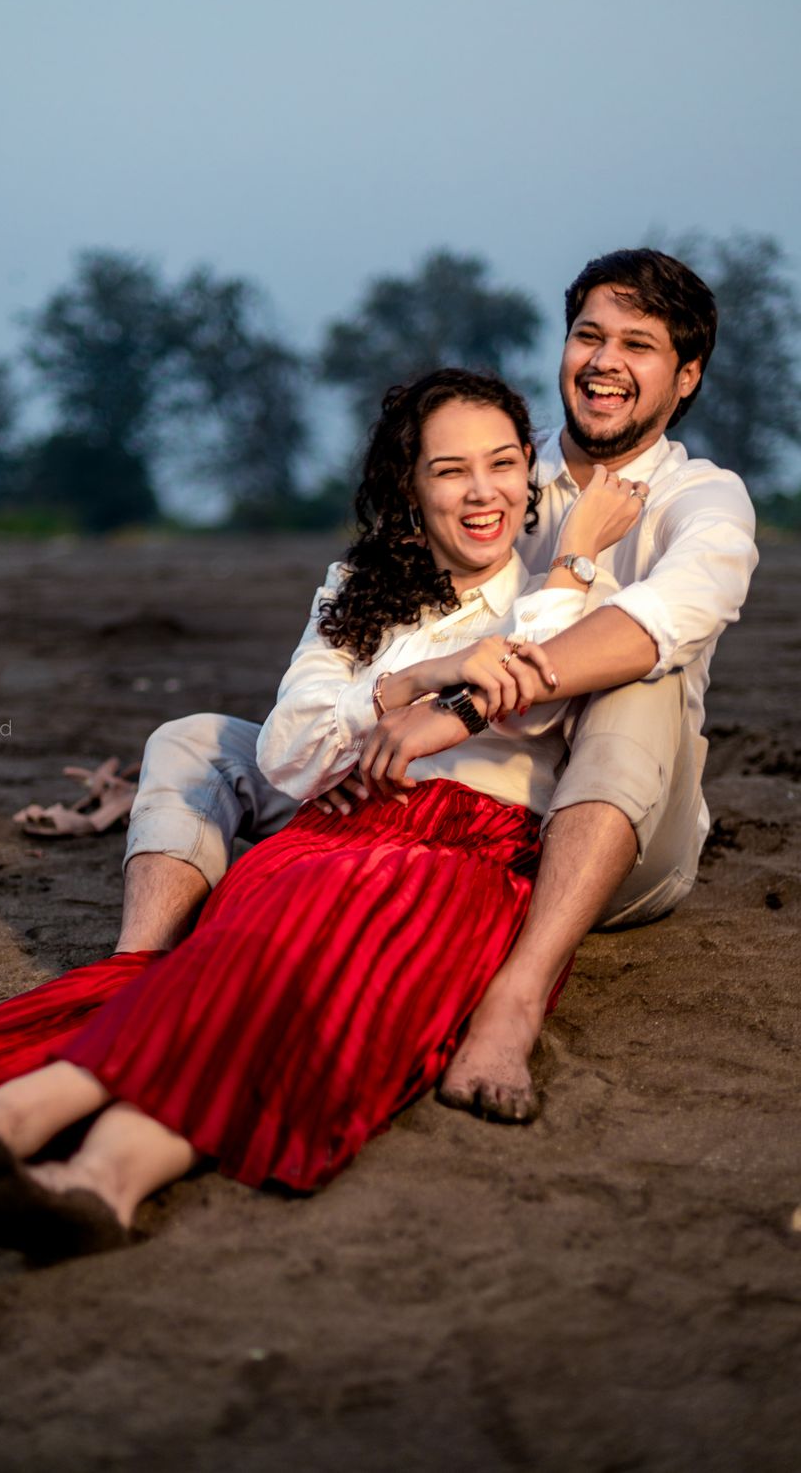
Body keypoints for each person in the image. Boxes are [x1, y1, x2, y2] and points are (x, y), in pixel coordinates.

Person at [0, 370, 642, 1259]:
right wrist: (414, 676)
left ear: (529, 473)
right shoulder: (358, 591)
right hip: (334, 832)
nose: (484, 493)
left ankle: (20, 1124)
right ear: (411, 487)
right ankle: (103, 1184)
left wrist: (577, 561)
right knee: (255, 960)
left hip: (463, 853)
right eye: (450, 470)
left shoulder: (565, 586)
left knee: (307, 989)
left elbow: (534, 694)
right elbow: (288, 754)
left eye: (505, 464)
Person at [111, 248, 758, 1121]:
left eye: (638, 345)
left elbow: (655, 622)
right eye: (588, 336)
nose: (605, 362)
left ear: (686, 378)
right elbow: (376, 621)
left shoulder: (702, 503)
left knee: (634, 686)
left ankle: (518, 998)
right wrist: (405, 697)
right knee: (193, 741)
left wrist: (449, 711)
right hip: (433, 803)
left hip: (602, 829)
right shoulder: (490, 468)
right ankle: (127, 973)